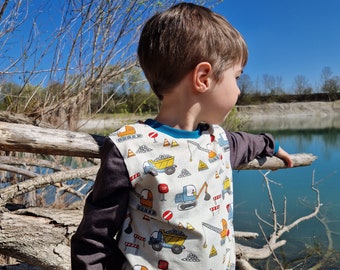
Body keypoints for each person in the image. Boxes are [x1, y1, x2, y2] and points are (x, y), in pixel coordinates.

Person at [71, 3, 293, 270]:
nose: (239, 91)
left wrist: (272, 145)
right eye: (236, 78)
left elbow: (249, 143)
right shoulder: (129, 148)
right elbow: (93, 241)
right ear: (203, 77)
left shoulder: (219, 142)